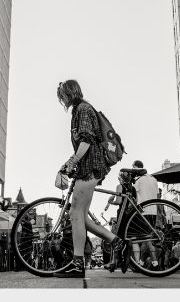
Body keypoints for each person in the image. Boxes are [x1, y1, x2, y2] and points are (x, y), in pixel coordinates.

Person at [54, 80, 126, 278]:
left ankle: (78, 264)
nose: (61, 99)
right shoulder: (80, 109)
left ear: (70, 93)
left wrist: (71, 161)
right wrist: (72, 162)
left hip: (91, 166)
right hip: (88, 166)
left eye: (62, 95)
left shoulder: (83, 109)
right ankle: (116, 241)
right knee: (81, 217)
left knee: (75, 212)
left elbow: (86, 140)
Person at [131, 160, 159, 269]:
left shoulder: (138, 180)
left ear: (135, 168)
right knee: (145, 239)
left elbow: (135, 197)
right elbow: (157, 195)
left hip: (143, 211)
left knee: (146, 239)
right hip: (154, 210)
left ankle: (155, 263)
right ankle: (141, 262)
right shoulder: (153, 179)